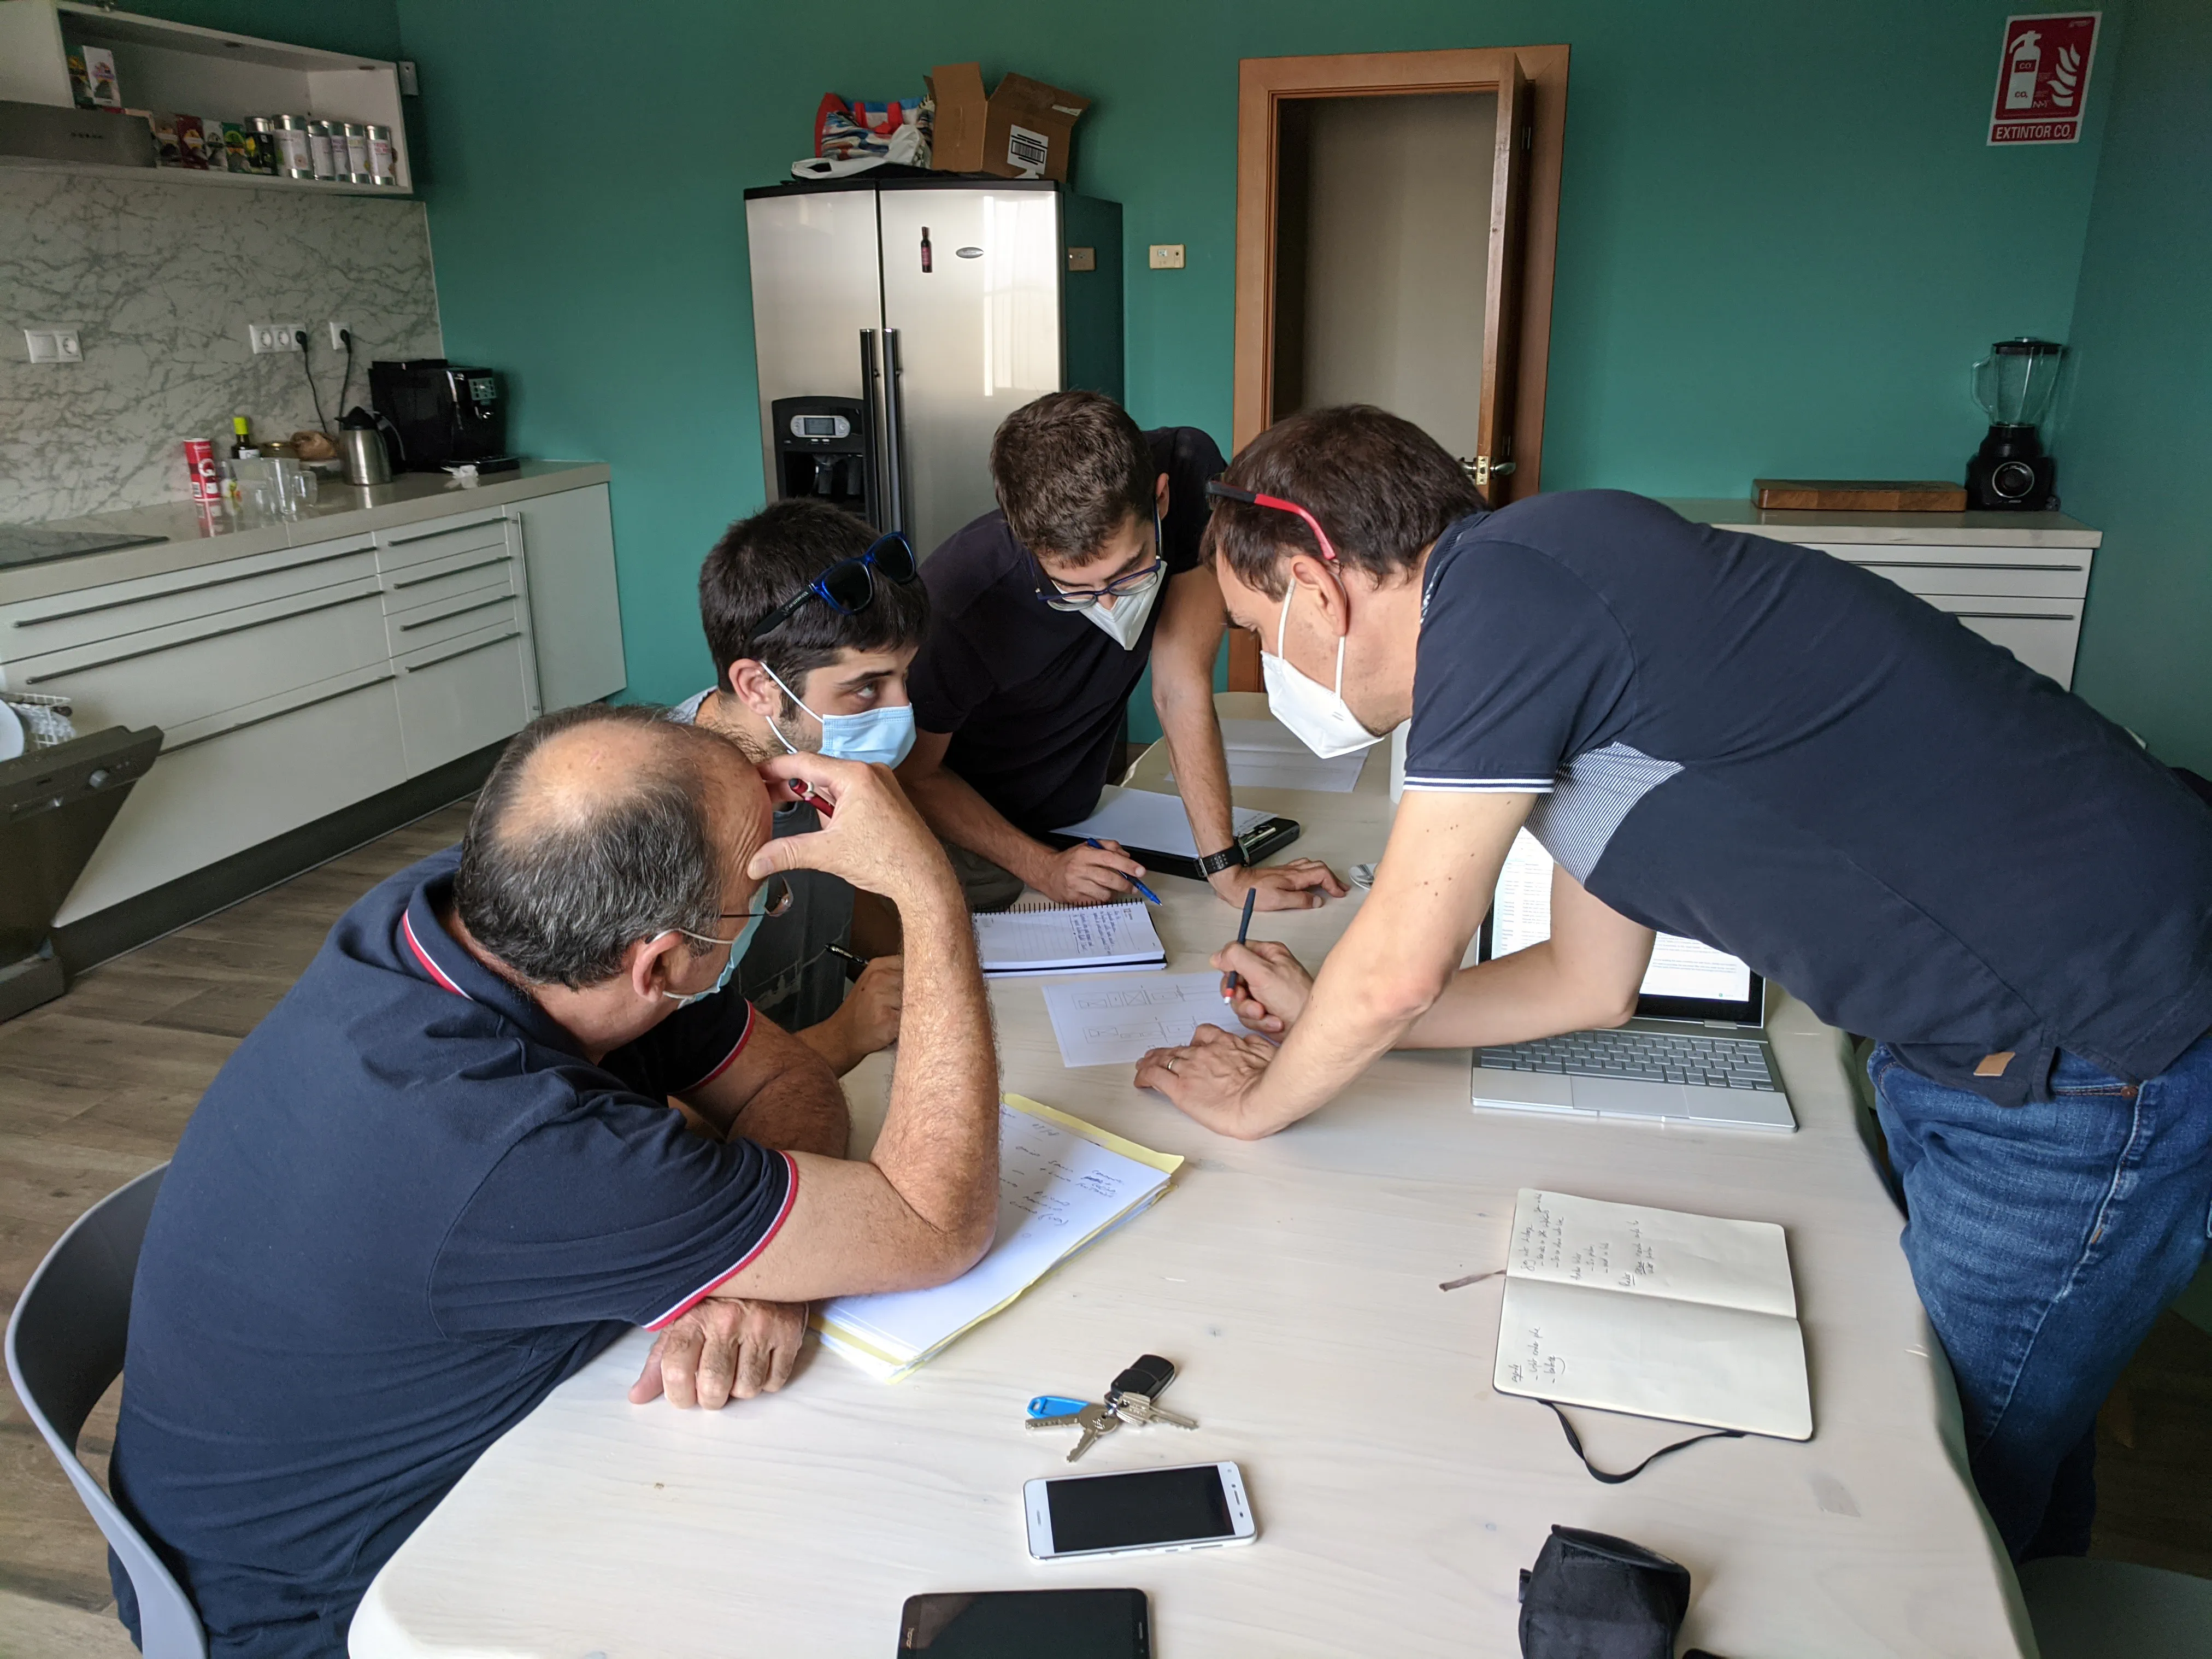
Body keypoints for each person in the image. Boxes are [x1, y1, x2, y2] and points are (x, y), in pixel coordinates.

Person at [1136, 404, 2212, 1564]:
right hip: (1978, 1044)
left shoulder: (1498, 601)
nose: (1268, 660)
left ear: (1316, 583)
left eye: (1257, 629)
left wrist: (1256, 1101)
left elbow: (1396, 969)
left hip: (2093, 1054)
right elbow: (1583, 984)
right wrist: (1326, 1025)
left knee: (1936, 1490)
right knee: (2001, 1443)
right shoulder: (1548, 598)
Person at [109, 704, 998, 1657]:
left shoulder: (480, 912)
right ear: (657, 962)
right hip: (323, 1615)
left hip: (323, 1491)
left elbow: (788, 1077)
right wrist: (926, 891)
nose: (760, 914)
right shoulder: (517, 1148)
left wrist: (753, 1265)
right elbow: (930, 1224)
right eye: (758, 900)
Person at [898, 390, 1344, 913]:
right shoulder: (958, 603)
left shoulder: (1188, 470)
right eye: (1074, 588)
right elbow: (916, 775)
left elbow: (1180, 687)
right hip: (971, 830)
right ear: (1024, 541)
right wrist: (1042, 866)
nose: (1109, 604)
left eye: (1130, 568)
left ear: (1160, 499)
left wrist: (1229, 872)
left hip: (1079, 810)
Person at [675, 498, 927, 1073]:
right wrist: (843, 1036)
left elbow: (855, 903)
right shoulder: (662, 825)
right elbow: (660, 1112)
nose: (902, 709)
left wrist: (904, 963)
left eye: (904, 677)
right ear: (758, 687)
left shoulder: (815, 754)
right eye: (866, 688)